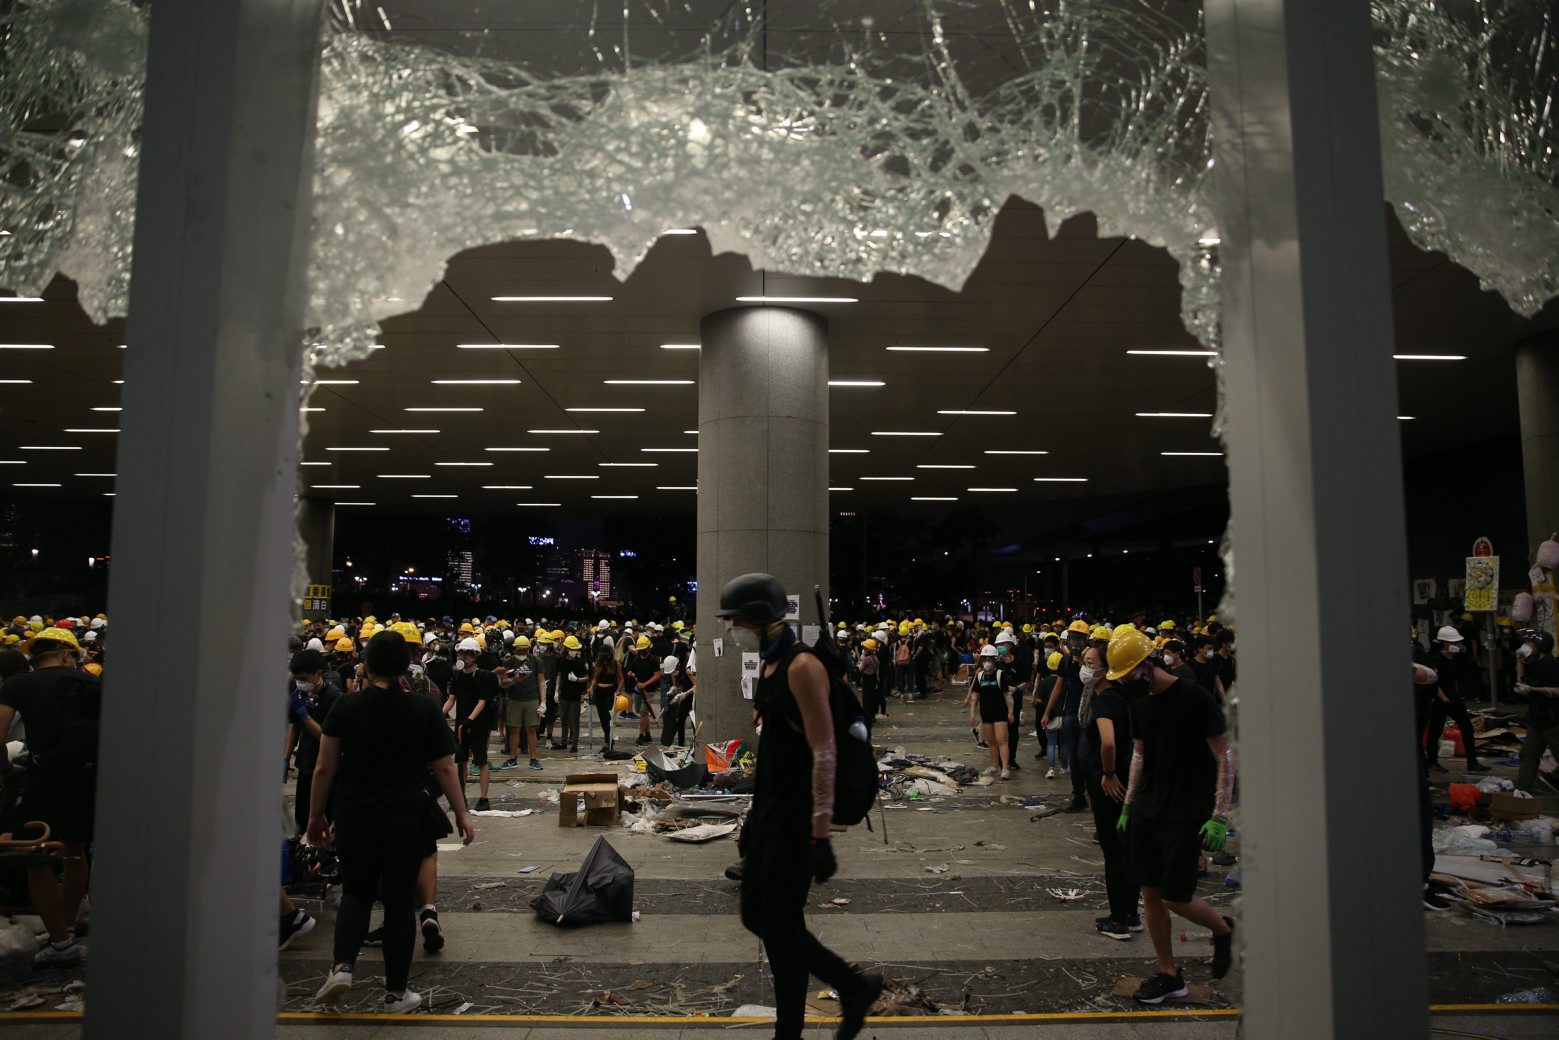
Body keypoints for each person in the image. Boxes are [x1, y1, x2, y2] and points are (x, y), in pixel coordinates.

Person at [719, 573, 882, 1040]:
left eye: (737, 621)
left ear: (761, 620)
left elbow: (825, 750)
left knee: (779, 924)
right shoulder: (770, 667)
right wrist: (753, 816)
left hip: (798, 819)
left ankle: (791, 1029)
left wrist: (820, 834)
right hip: (772, 811)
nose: (733, 629)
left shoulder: (800, 665)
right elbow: (775, 752)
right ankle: (853, 987)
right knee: (759, 916)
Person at [309, 630, 474, 1013]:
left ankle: (341, 967)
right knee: (400, 903)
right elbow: (446, 766)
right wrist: (462, 812)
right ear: (406, 666)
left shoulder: (345, 707)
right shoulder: (422, 708)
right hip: (406, 817)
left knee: (356, 893)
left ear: (365, 664)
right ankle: (397, 994)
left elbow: (324, 768)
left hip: (355, 814)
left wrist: (317, 816)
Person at [1107, 628, 1235, 1003]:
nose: (1126, 681)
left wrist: (1220, 815)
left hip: (1186, 809)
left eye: (1129, 673)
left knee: (1177, 897)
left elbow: (1224, 756)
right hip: (1150, 805)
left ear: (1147, 665)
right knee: (1149, 894)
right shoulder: (1140, 703)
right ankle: (1168, 974)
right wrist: (1129, 804)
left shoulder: (1194, 697)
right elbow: (1141, 754)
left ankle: (1225, 930)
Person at [0, 627, 99, 968]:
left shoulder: (17, 685)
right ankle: (66, 928)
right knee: (75, 853)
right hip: (86, 780)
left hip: (42, 780)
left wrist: (5, 769)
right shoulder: (91, 683)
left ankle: (59, 939)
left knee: (36, 858)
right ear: (68, 654)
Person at [1079, 645, 1139, 939]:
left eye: (1091, 662)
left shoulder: (1104, 702)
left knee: (1113, 852)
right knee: (1127, 848)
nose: (1085, 667)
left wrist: (1108, 773)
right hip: (1130, 778)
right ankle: (1131, 912)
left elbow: (1108, 742)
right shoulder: (1122, 696)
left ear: (1107, 668)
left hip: (1110, 784)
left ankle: (1118, 920)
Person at [286, 649, 342, 836]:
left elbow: (327, 738)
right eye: (296, 678)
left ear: (318, 673)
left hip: (327, 771)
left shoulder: (334, 698)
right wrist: (286, 757)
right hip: (306, 765)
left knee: (325, 825)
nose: (299, 682)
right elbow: (294, 727)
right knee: (301, 823)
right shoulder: (299, 695)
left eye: (303, 678)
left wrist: (306, 716)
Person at [1424, 625, 1488, 773]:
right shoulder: (1436, 660)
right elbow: (1434, 682)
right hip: (1441, 700)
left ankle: (1472, 761)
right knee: (1435, 731)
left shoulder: (1455, 659)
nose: (1457, 646)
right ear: (1444, 643)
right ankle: (1432, 761)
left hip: (1454, 698)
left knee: (1467, 728)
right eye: (1454, 643)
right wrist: (1444, 698)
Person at [445, 637, 498, 808]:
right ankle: (461, 797)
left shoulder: (483, 676)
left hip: (478, 724)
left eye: (467, 654)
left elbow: (482, 702)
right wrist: (439, 715)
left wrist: (470, 719)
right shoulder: (458, 676)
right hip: (462, 725)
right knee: (461, 761)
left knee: (481, 760)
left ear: (475, 656)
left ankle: (484, 798)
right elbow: (451, 699)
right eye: (461, 653)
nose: (463, 657)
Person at [1514, 632, 1559, 794]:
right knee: (1528, 754)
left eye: (1530, 644)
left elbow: (1556, 690)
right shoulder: (1531, 662)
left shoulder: (1551, 664)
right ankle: (1521, 791)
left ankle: (1554, 778)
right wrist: (1520, 662)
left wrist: (1531, 689)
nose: (1527, 646)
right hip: (1537, 719)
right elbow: (1523, 678)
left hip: (1553, 719)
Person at [964, 645, 1014, 780]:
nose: (987, 662)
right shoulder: (980, 676)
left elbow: (1007, 696)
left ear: (994, 660)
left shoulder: (1000, 675)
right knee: (991, 741)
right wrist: (972, 713)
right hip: (986, 713)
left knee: (1001, 740)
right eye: (985, 659)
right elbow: (975, 696)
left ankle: (1005, 768)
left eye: (989, 659)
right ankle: (994, 766)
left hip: (1000, 713)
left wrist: (1010, 712)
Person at [500, 637, 544, 770]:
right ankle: (513, 759)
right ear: (514, 649)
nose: (522, 652)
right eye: (519, 650)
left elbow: (541, 681)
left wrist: (543, 701)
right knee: (514, 730)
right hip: (514, 699)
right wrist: (514, 680)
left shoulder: (535, 661)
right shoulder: (509, 662)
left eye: (524, 650)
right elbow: (503, 683)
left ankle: (533, 759)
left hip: (531, 699)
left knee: (532, 730)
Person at [624, 635, 661, 746]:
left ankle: (641, 735)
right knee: (643, 714)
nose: (642, 651)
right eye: (640, 650)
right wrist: (630, 674)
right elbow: (631, 670)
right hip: (638, 690)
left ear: (649, 648)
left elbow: (657, 675)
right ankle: (648, 734)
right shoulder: (636, 659)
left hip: (649, 690)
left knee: (643, 712)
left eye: (643, 649)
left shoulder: (654, 660)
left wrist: (645, 684)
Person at [588, 649, 625, 754]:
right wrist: (591, 687)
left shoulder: (615, 664)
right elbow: (595, 678)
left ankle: (606, 742)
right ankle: (609, 739)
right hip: (599, 692)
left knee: (607, 716)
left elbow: (621, 678)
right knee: (601, 718)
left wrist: (619, 689)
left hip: (610, 691)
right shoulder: (598, 664)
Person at [558, 636, 590, 752]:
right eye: (572, 649)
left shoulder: (579, 663)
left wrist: (577, 679)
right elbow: (559, 675)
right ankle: (563, 742)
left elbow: (586, 678)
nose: (574, 651)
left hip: (576, 695)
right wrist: (557, 690)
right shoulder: (561, 660)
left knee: (575, 720)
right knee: (564, 719)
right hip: (564, 693)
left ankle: (574, 744)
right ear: (566, 648)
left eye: (575, 649)